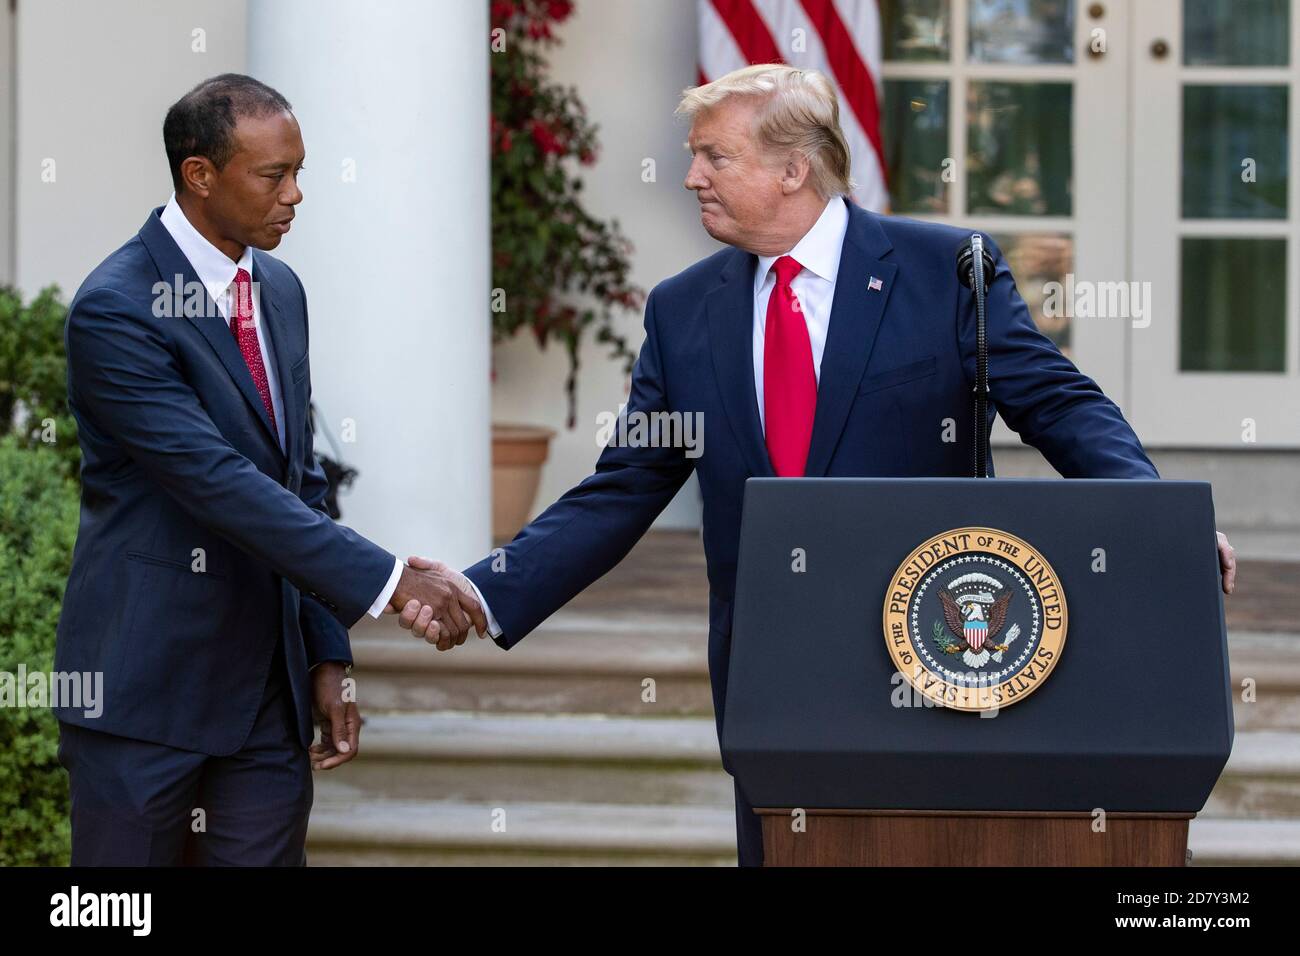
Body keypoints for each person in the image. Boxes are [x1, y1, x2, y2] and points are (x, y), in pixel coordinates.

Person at [407, 64, 1239, 867]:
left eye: (714, 156)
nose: (691, 176)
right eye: (694, 154)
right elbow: (625, 486)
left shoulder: (946, 272)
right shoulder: (684, 309)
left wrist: (1153, 518)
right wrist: (487, 587)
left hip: (933, 645)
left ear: (793, 169)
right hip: (773, 662)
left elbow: (1059, 406)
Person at [54, 74, 484, 866]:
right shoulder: (116, 307)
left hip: (265, 704)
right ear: (200, 174)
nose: (295, 195)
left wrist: (326, 653)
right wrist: (392, 583)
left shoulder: (279, 289)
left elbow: (298, 480)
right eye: (273, 175)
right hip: (145, 694)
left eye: (300, 171)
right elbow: (216, 482)